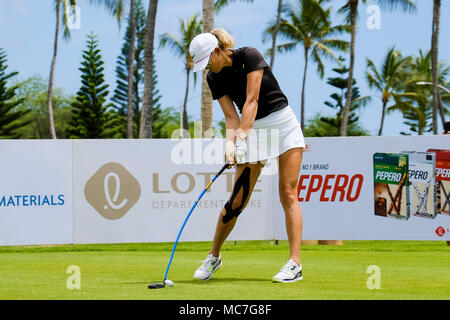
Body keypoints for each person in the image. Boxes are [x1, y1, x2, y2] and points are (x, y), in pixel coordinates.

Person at [188, 28, 305, 283]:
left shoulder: (249, 56)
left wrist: (241, 138)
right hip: (255, 129)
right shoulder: (214, 78)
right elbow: (232, 116)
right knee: (237, 201)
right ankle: (214, 257)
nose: (207, 67)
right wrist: (231, 145)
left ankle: (294, 264)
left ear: (217, 52)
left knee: (288, 193)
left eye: (207, 61)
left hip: (284, 125)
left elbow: (251, 101)